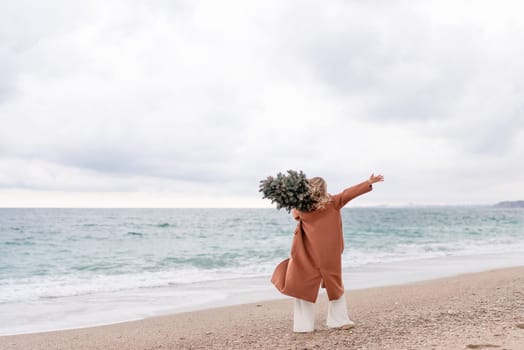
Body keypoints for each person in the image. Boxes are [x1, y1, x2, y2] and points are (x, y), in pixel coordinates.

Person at [271, 173, 384, 332]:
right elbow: (349, 193)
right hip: (329, 253)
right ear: (324, 190)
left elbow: (295, 215)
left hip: (307, 253)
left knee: (303, 287)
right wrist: (368, 182)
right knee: (335, 285)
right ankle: (338, 320)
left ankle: (303, 326)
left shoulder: (302, 208)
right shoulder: (333, 202)